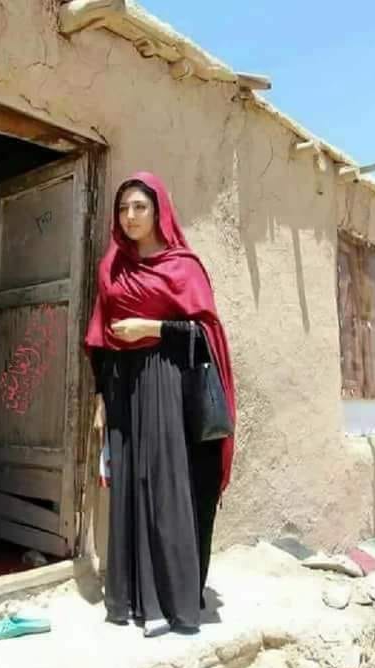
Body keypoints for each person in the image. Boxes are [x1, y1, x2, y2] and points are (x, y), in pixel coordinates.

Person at [85, 172, 235, 637]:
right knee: (130, 484)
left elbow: (205, 335)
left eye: (139, 207)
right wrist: (100, 397)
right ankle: (132, 599)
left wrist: (151, 328)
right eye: (123, 208)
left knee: (167, 486)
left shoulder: (183, 266)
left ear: (159, 211)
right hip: (123, 385)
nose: (130, 217)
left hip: (168, 384)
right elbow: (100, 336)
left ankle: (171, 603)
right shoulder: (112, 265)